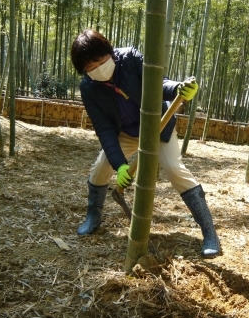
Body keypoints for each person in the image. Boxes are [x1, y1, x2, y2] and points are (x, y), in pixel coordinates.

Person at [70, 29, 220, 258]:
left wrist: (178, 89)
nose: (98, 69)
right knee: (100, 169)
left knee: (174, 169)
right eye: (90, 68)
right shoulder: (88, 88)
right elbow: (104, 128)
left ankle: (209, 233)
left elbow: (158, 83)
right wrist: (120, 164)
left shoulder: (130, 59)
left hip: (157, 126)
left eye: (100, 62)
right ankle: (93, 217)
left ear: (110, 53)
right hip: (125, 134)